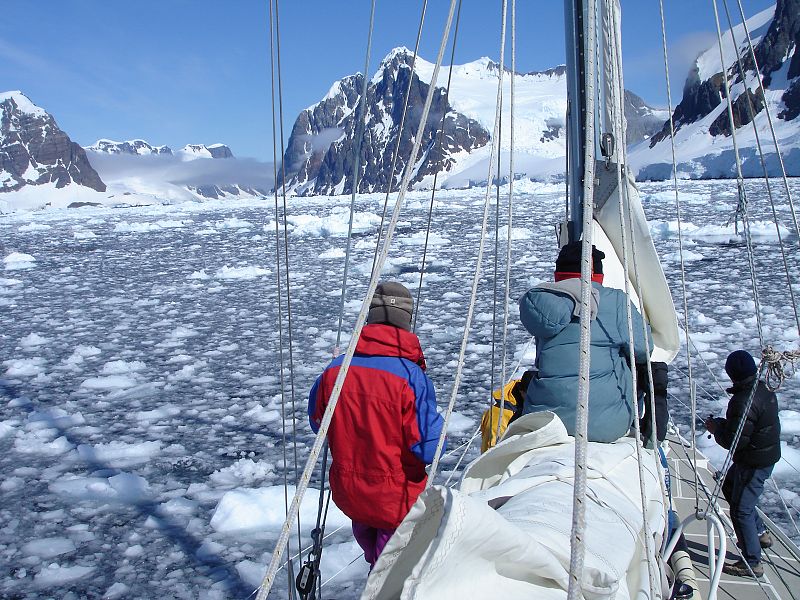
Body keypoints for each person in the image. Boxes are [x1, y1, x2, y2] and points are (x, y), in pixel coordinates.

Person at [308, 281, 445, 568]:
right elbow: (428, 449)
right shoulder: (410, 376)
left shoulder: (335, 370)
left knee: (378, 564)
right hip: (396, 499)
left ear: (369, 318)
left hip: (350, 495)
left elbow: (318, 423)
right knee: (389, 574)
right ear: (407, 321)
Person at [519, 241, 652, 443]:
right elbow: (644, 350)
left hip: (545, 421)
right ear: (597, 275)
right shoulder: (615, 301)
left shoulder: (540, 303)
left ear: (558, 274)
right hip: (605, 426)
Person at [705, 349, 781, 578]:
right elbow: (745, 429)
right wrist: (723, 424)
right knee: (729, 486)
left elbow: (734, 440)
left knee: (741, 510)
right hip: (761, 456)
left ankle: (752, 562)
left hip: (753, 462)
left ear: (732, 374)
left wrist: (716, 428)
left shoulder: (742, 401)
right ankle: (759, 533)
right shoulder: (762, 388)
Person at [638, 361, 669, 448]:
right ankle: (654, 438)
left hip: (652, 368)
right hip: (658, 369)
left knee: (655, 396)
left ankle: (652, 438)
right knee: (657, 398)